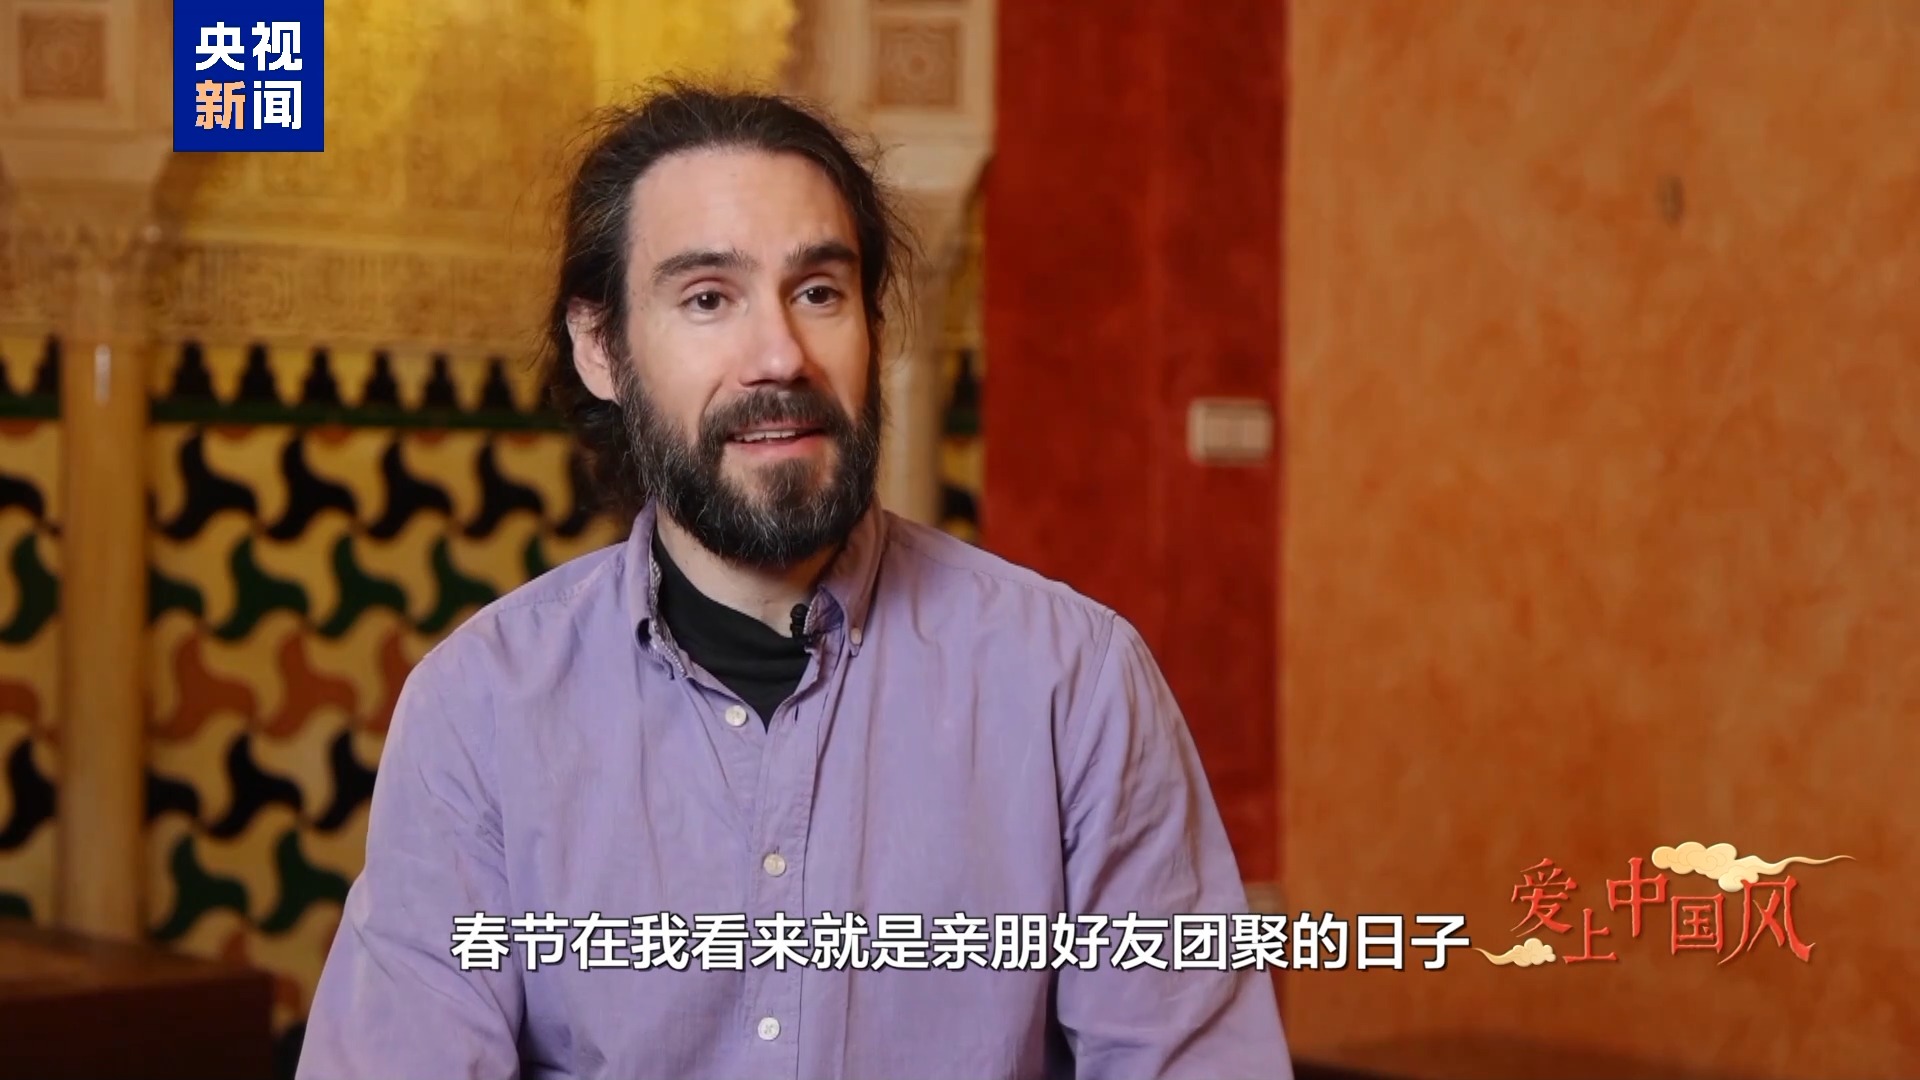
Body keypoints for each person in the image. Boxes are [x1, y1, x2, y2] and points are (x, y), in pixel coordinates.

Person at [299, 82, 1291, 1080]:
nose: (779, 355)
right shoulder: (479, 708)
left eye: (819, 292)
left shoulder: (1073, 683)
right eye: (707, 299)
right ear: (601, 349)